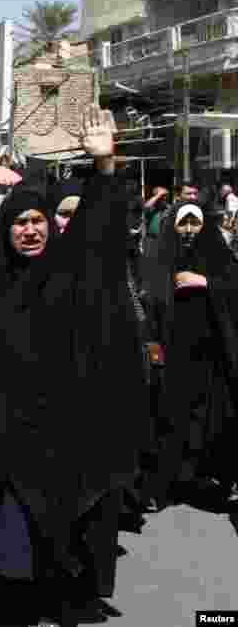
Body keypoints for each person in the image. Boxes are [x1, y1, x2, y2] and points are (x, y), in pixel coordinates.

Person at [0, 101, 145, 626]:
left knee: (64, 534)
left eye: (39, 220)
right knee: (10, 545)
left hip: (64, 427)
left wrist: (105, 168)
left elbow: (98, 233)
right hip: (4, 429)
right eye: (19, 223)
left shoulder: (68, 271)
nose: (30, 231)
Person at [141, 201, 238, 510]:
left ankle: (205, 476)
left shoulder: (217, 255)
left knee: (210, 417)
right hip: (173, 354)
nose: (188, 230)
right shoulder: (161, 255)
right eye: (183, 223)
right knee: (171, 418)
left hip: (212, 355)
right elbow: (149, 298)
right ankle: (168, 483)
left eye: (194, 223)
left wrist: (205, 282)